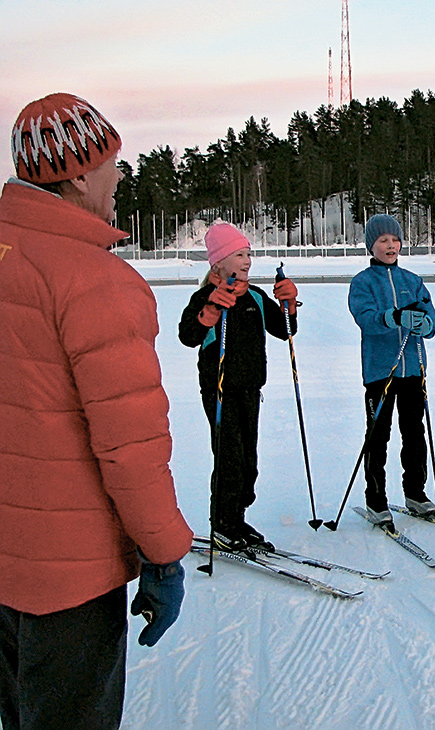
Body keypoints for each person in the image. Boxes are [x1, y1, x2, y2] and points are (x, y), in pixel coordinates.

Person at [0, 93, 193, 730]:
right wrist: (163, 556)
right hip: (68, 580)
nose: (120, 176)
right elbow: (130, 447)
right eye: (113, 162)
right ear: (79, 174)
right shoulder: (96, 282)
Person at [178, 222, 299, 552]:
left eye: (248, 253)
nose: (247, 260)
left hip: (250, 390)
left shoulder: (257, 297)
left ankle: (237, 518)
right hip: (219, 392)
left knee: (248, 462)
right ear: (218, 263)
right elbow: (188, 336)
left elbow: (285, 330)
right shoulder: (206, 296)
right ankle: (222, 524)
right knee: (229, 459)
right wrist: (210, 312)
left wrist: (288, 303)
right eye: (238, 254)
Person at [348, 214, 435, 530]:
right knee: (378, 435)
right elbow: (366, 318)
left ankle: (415, 492)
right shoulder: (363, 282)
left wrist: (424, 324)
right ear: (371, 246)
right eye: (383, 240)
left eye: (394, 240)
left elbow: (431, 319)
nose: (390, 246)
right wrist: (393, 317)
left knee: (415, 433)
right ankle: (376, 499)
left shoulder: (412, 280)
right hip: (380, 371)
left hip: (413, 368)